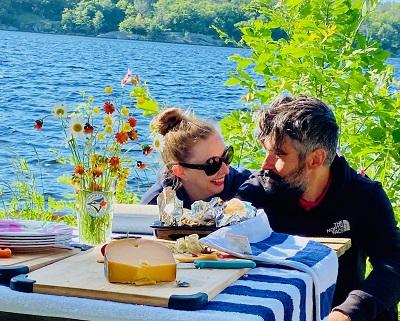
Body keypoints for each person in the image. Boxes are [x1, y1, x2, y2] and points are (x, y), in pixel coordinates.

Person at [236, 96, 400, 321]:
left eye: (279, 155)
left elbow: (393, 265)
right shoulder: (258, 192)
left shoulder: (364, 196)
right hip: (273, 311)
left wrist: (347, 313)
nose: (266, 164)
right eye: (266, 152)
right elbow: (221, 235)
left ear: (316, 159)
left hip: (341, 309)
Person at [141, 107, 251, 208]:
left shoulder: (249, 189)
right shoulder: (154, 207)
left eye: (227, 156)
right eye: (213, 164)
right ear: (180, 171)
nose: (226, 170)